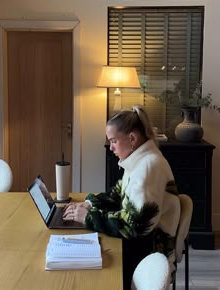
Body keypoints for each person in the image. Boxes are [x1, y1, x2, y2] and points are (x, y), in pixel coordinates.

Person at [62, 105, 180, 290]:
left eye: (113, 141)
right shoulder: (140, 160)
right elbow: (117, 194)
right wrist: (89, 203)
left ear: (132, 138)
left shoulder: (148, 167)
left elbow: (135, 226)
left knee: (86, 270)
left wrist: (89, 217)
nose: (110, 147)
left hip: (147, 248)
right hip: (142, 241)